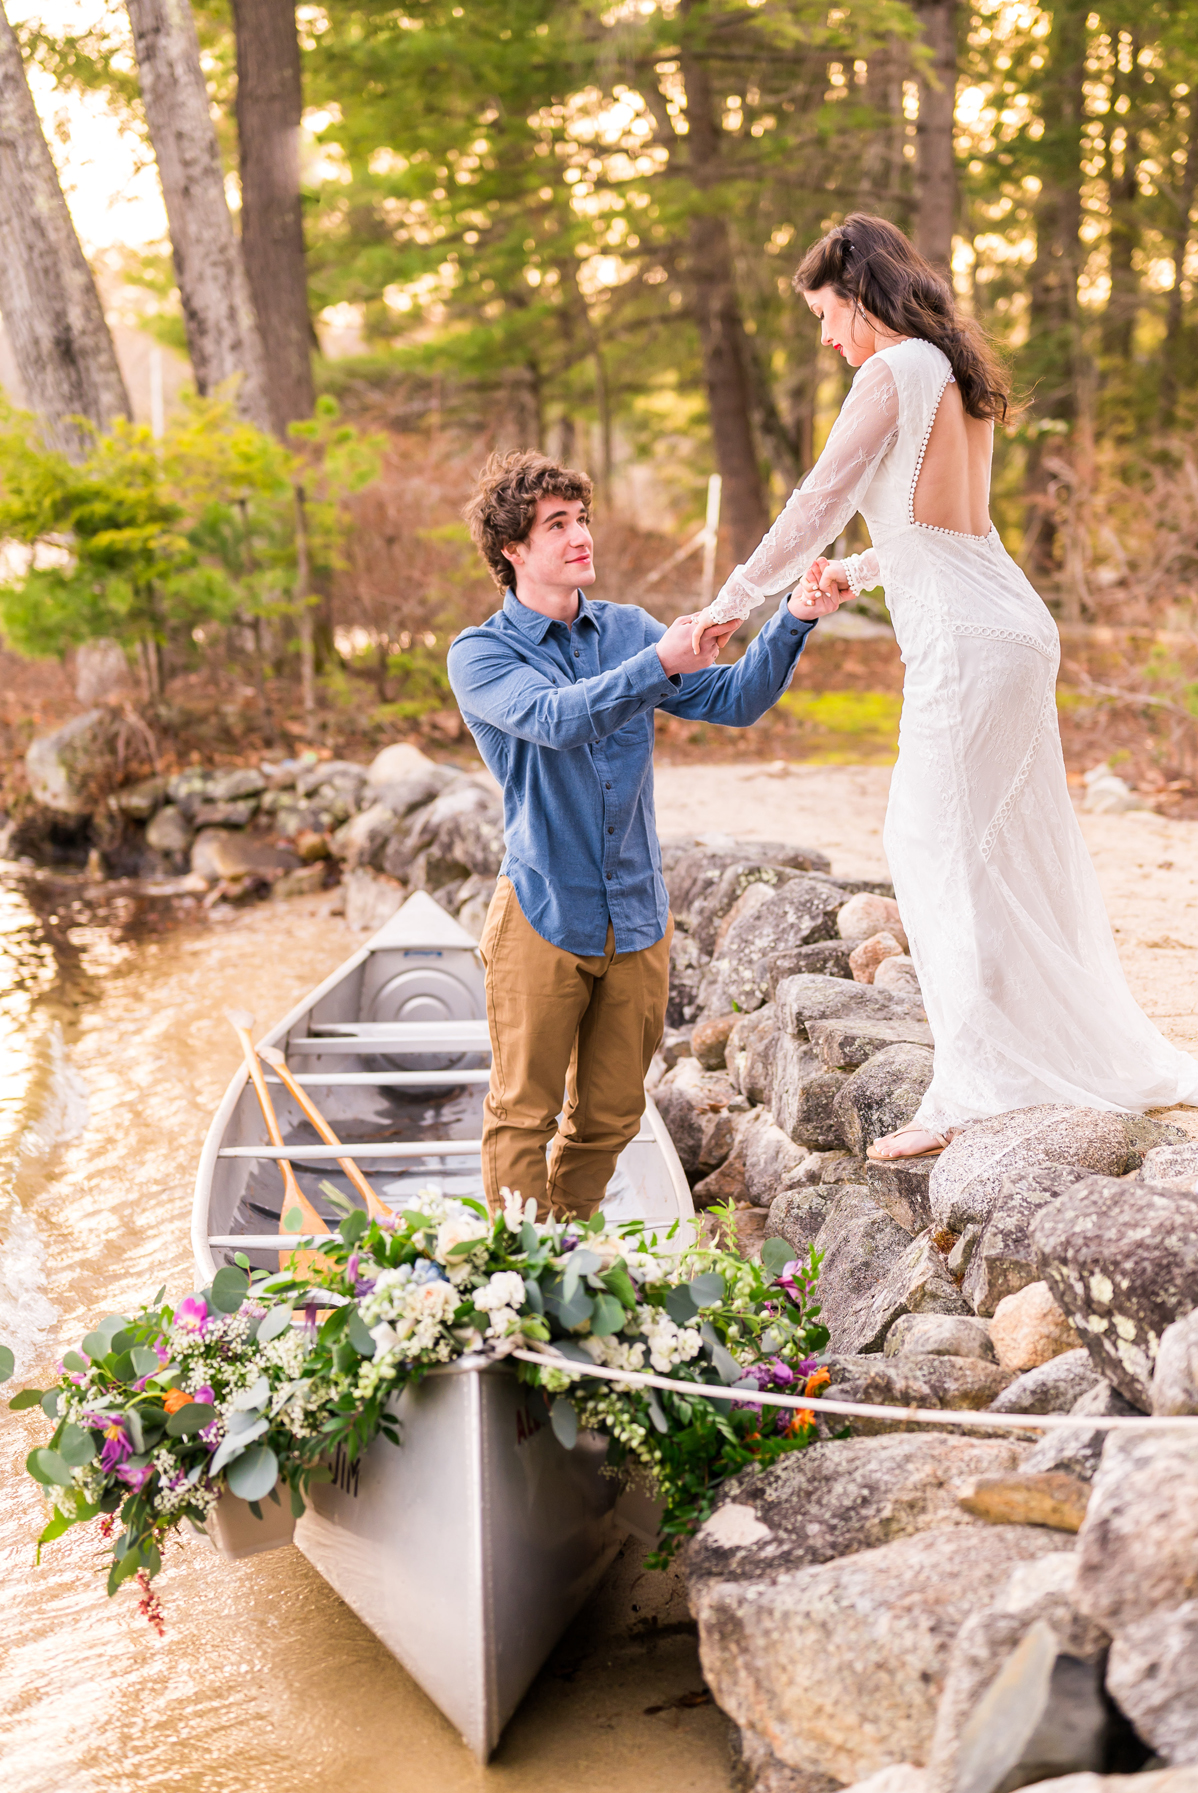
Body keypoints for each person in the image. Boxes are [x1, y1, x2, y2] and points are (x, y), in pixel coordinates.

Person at [688, 211, 1198, 1161]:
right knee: (998, 852)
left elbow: (819, 498)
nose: (827, 337)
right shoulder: (953, 371)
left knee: (932, 848)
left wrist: (734, 599)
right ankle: (1050, 1054)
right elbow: (952, 532)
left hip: (968, 646)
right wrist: (859, 574)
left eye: (828, 315)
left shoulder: (893, 371)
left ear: (862, 298)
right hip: (1010, 624)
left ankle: (970, 1091)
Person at [448, 449, 829, 1219]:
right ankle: (518, 1274)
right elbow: (557, 719)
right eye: (556, 524)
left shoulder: (626, 629)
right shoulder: (480, 653)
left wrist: (794, 619)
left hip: (637, 914)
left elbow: (734, 700)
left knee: (614, 1116)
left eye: (582, 518)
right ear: (511, 550)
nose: (579, 535)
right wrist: (658, 662)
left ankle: (563, 1250)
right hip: (543, 911)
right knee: (524, 1114)